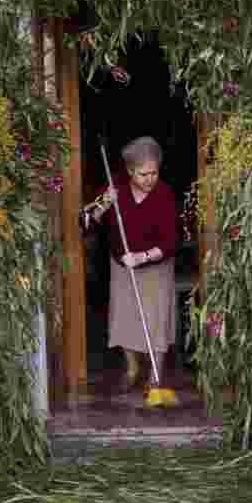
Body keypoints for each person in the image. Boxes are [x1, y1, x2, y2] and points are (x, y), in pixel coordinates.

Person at [80, 136, 178, 392]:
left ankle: (155, 377)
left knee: (155, 319)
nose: (149, 179)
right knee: (125, 318)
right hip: (122, 264)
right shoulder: (116, 187)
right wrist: (104, 205)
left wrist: (142, 256)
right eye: (143, 174)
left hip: (155, 266)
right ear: (130, 171)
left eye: (154, 173)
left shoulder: (164, 195)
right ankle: (133, 368)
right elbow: (85, 222)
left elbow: (170, 243)